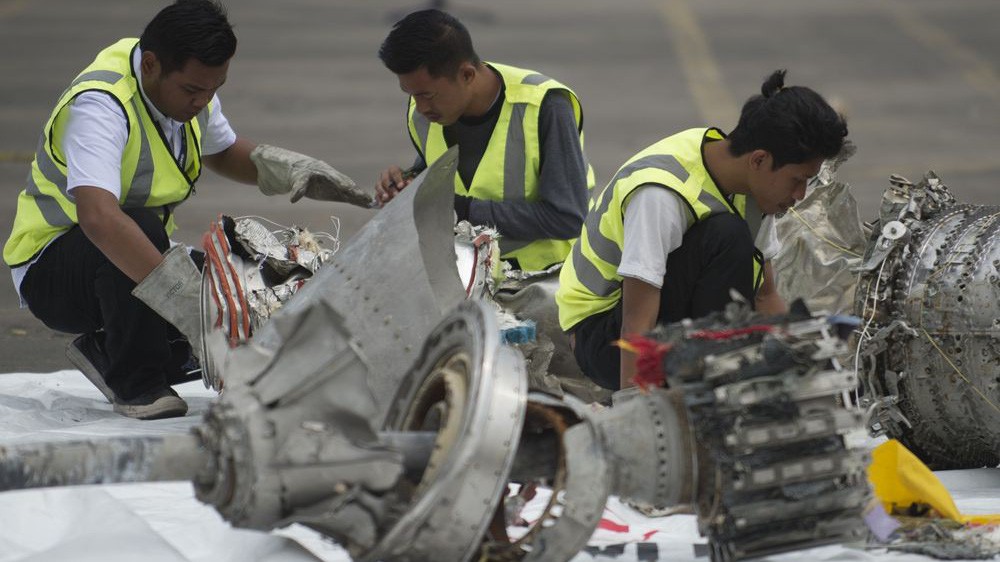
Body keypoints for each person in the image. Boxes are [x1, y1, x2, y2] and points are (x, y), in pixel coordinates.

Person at [2, 0, 370, 420]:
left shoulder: (185, 87)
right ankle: (135, 382)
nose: (203, 101)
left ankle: (114, 349)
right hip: (53, 272)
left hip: (127, 253)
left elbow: (225, 152)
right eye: (194, 91)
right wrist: (183, 301)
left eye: (214, 89)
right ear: (152, 65)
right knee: (153, 246)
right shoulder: (101, 105)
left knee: (242, 283)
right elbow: (99, 219)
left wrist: (295, 171)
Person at [556, 70, 848, 391]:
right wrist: (636, 415)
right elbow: (637, 322)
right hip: (604, 338)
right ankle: (714, 383)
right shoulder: (660, 194)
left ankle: (720, 372)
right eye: (797, 180)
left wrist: (808, 371)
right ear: (760, 159)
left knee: (731, 241)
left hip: (657, 321)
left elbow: (765, 294)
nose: (800, 195)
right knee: (726, 235)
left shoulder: (752, 187)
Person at [375, 9, 594, 272]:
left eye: (427, 95)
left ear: (467, 75)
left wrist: (455, 209)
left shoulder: (545, 106)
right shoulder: (424, 113)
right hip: (467, 274)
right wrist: (408, 184)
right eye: (410, 93)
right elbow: (443, 169)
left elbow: (566, 218)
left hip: (547, 279)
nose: (420, 107)